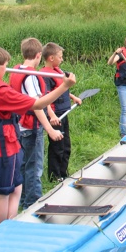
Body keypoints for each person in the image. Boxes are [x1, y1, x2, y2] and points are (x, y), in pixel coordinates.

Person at [0, 44, 74, 227]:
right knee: (2, 193)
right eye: (5, 65)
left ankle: (12, 223)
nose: (7, 70)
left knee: (16, 187)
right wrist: (65, 86)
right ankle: (2, 233)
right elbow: (38, 104)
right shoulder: (0, 92)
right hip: (2, 148)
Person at [8, 38, 61, 209]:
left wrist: (51, 113)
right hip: (30, 127)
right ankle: (32, 205)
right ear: (39, 55)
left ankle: (23, 201)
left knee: (24, 166)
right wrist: (50, 129)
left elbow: (39, 101)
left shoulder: (16, 70)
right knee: (34, 168)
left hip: (20, 126)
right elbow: (36, 105)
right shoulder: (30, 76)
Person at [41, 42, 82, 182]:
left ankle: (64, 173)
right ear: (51, 58)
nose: (62, 59)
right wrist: (51, 115)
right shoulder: (45, 75)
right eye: (60, 56)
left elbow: (62, 89)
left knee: (66, 146)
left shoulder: (59, 71)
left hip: (65, 112)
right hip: (55, 114)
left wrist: (73, 97)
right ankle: (55, 177)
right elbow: (44, 96)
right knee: (57, 147)